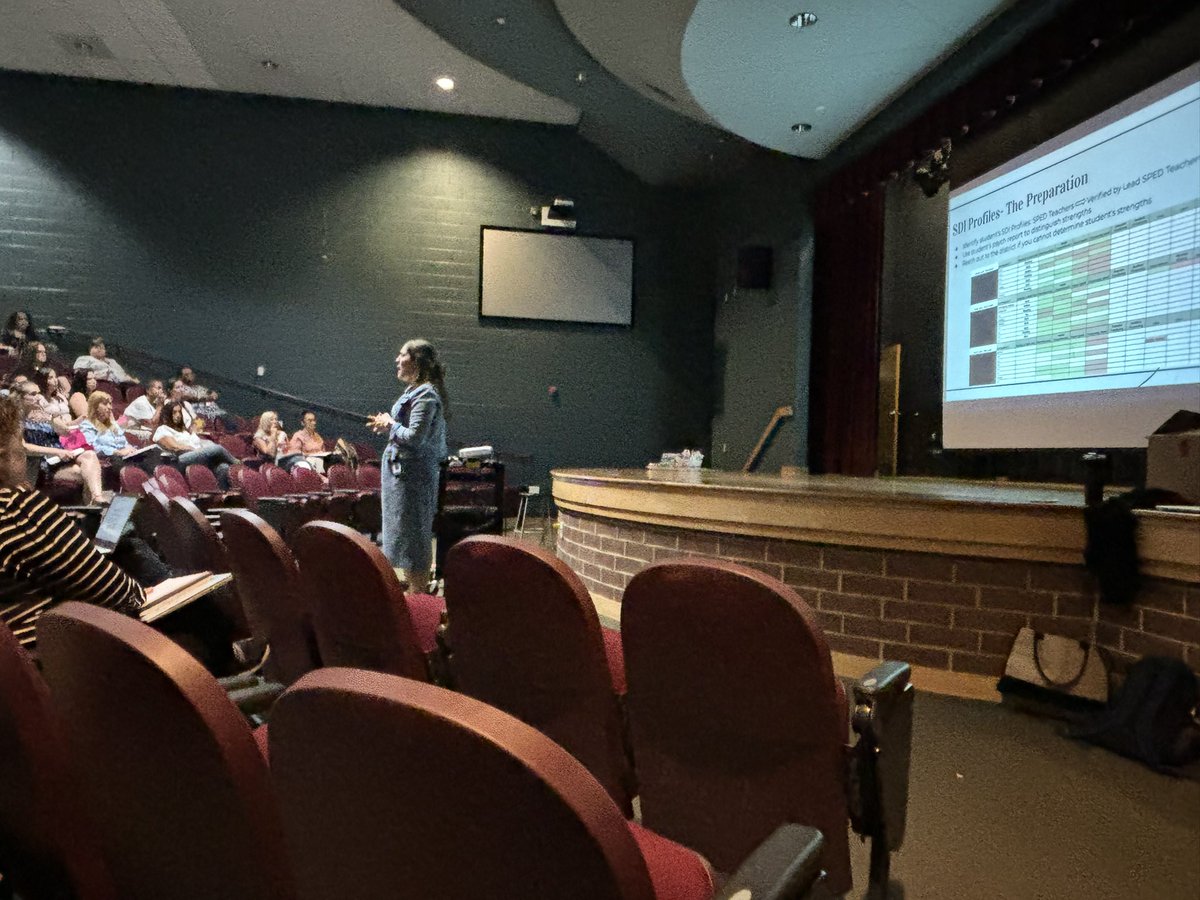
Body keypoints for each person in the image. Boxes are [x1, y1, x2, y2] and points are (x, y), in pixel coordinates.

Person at [0, 393, 144, 632]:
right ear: (4, 455)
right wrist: (141, 592)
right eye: (20, 444)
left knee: (111, 534)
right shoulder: (16, 507)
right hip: (62, 654)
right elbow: (120, 594)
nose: (24, 456)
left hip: (18, 657)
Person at [367, 339, 448, 590]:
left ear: (417, 361)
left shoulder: (426, 393)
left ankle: (419, 596)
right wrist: (390, 424)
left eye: (402, 354)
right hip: (402, 476)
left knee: (414, 537)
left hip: (412, 478)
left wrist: (391, 424)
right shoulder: (414, 391)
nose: (396, 359)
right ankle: (415, 592)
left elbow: (415, 437)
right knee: (404, 535)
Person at [17, 380, 108, 505]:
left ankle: (97, 498)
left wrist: (50, 414)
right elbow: (23, 447)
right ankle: (90, 510)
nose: (38, 397)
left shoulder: (44, 415)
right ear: (21, 398)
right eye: (33, 394)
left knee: (90, 455)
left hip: (59, 460)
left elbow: (65, 432)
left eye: (38, 393)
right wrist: (58, 451)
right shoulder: (16, 418)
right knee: (85, 473)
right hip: (39, 465)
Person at [153, 400, 237, 488]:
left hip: (195, 455)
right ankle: (237, 463)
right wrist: (194, 449)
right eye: (174, 412)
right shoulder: (163, 429)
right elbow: (174, 447)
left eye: (179, 412)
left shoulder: (182, 430)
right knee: (217, 448)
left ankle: (220, 495)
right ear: (167, 415)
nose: (178, 415)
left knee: (223, 467)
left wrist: (196, 441)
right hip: (179, 459)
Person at [80, 391, 139, 463]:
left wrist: (130, 448)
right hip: (108, 459)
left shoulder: (112, 424)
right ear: (94, 406)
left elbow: (123, 442)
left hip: (125, 456)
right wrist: (117, 452)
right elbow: (91, 447)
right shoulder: (87, 425)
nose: (110, 407)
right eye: (105, 404)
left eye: (110, 404)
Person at [72, 337, 138, 384]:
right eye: (96, 347)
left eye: (102, 348)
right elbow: (78, 373)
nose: (99, 349)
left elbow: (122, 375)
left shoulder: (112, 362)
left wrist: (130, 379)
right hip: (96, 384)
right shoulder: (84, 359)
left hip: (116, 385)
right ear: (90, 350)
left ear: (105, 351)